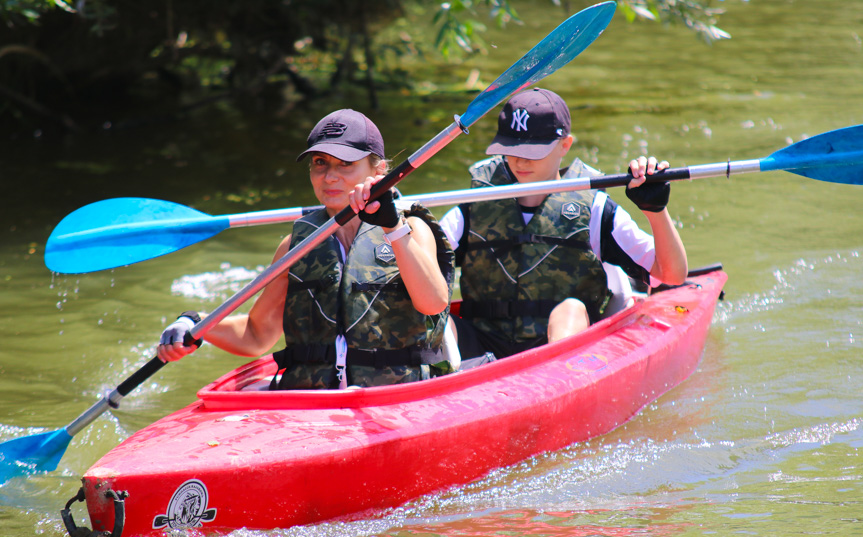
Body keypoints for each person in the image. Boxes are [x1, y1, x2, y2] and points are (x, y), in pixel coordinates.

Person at [158, 109, 456, 389]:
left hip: (396, 397)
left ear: (379, 169)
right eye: (320, 163)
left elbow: (433, 303)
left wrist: (393, 228)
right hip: (316, 400)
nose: (329, 177)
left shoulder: (411, 228)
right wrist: (197, 326)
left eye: (346, 164)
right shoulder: (296, 246)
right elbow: (256, 335)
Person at [440, 88, 688, 360]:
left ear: (565, 145)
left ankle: (554, 381)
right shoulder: (473, 206)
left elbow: (672, 274)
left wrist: (655, 211)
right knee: (439, 321)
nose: (520, 160)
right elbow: (418, 264)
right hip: (481, 345)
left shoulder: (594, 210)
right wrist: (397, 225)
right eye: (510, 149)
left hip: (561, 351)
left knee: (569, 310)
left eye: (532, 151)